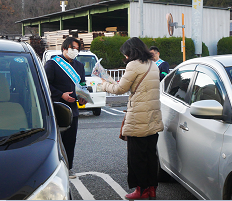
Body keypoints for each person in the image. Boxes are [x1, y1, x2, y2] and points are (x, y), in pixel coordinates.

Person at [100, 37, 164, 200]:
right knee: (151, 155)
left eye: (126, 54)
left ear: (131, 52)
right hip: (153, 117)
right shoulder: (152, 65)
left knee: (137, 157)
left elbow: (120, 89)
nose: (125, 57)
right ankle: (151, 189)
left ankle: (140, 190)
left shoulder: (133, 65)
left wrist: (104, 84)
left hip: (138, 117)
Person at [44, 37, 87, 179]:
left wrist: (83, 96)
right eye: (73, 48)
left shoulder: (79, 66)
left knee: (70, 140)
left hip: (73, 109)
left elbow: (82, 85)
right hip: (57, 108)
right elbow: (45, 85)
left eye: (77, 49)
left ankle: (69, 167)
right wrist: (61, 95)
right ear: (64, 48)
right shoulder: (52, 64)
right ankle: (53, 168)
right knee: (55, 140)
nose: (75, 51)